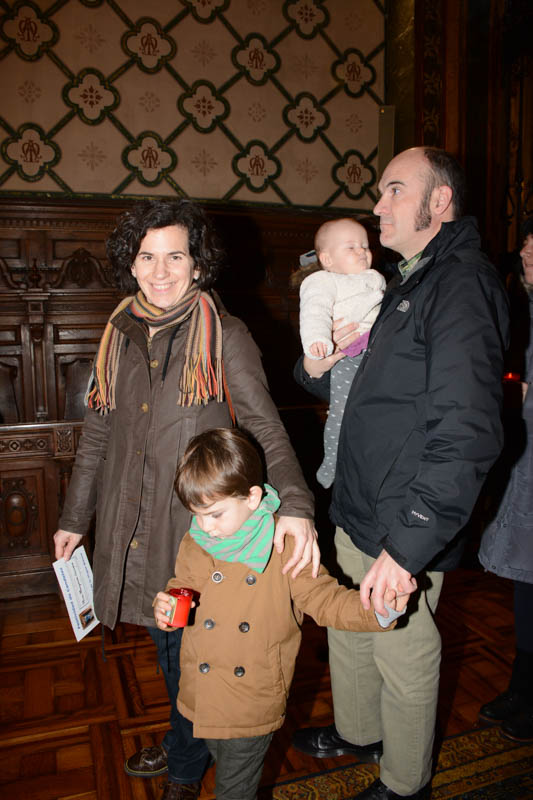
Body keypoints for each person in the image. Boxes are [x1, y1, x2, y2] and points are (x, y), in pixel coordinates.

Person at [53, 198, 320, 800]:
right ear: (131, 264)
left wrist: (297, 506)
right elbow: (97, 434)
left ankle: (185, 765)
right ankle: (186, 744)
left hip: (198, 539)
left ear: (198, 265)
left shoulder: (227, 336)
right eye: (147, 256)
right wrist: (74, 519)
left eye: (175, 256)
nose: (160, 270)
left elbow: (265, 427)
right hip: (130, 527)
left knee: (189, 656)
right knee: (169, 652)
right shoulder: (118, 333)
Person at [292, 147, 510, 800]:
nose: (377, 205)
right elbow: (358, 386)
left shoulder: (460, 284)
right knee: (348, 632)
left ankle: (405, 782)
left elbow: (467, 429)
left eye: (394, 190)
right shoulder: (402, 280)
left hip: (404, 516)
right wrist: (318, 359)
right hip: (358, 500)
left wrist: (410, 542)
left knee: (402, 653)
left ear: (438, 201)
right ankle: (359, 732)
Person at [153, 428, 407, 800]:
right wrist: (168, 603)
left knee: (233, 791)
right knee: (225, 766)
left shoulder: (285, 544)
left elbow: (325, 600)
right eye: (196, 514)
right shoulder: (197, 539)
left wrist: (379, 611)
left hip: (252, 697)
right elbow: (184, 584)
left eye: (215, 514)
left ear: (252, 497)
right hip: (201, 691)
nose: (204, 526)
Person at [478, 219, 533, 742]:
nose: (529, 255)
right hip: (525, 463)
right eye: (527, 246)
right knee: (525, 583)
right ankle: (523, 684)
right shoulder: (520, 306)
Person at [298, 218, 386, 487]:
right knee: (341, 411)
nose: (362, 252)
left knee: (374, 414)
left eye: (365, 246)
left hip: (377, 352)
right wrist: (318, 340)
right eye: (351, 247)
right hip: (347, 355)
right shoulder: (323, 281)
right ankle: (332, 463)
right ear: (327, 259)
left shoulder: (376, 278)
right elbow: (315, 311)